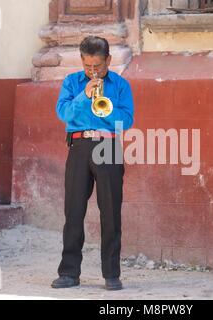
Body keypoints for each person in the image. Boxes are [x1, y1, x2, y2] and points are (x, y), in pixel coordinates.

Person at [51, 36, 134, 291]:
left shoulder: (120, 85)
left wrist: (106, 109)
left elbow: (126, 121)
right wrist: (84, 96)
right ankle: (69, 272)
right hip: (78, 146)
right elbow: (63, 113)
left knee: (110, 212)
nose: (92, 71)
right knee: (73, 211)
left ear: (108, 60)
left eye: (97, 66)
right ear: (82, 61)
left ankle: (111, 274)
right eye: (88, 66)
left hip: (108, 146)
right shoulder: (71, 82)